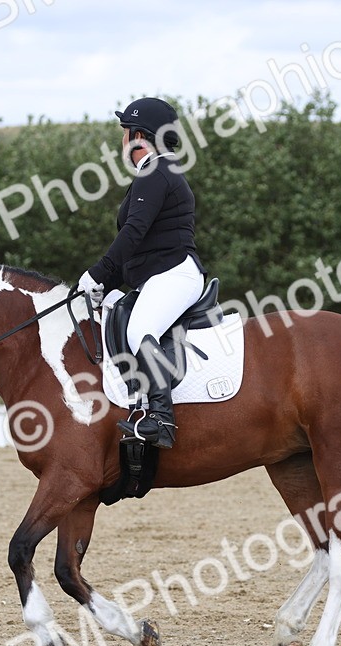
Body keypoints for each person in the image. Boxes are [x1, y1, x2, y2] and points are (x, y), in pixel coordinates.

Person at [78, 97, 205, 450]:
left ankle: (161, 418)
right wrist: (107, 283)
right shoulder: (155, 172)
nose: (122, 141)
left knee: (140, 330)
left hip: (175, 273)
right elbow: (140, 244)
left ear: (138, 136)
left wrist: (99, 272)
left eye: (124, 133)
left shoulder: (157, 170)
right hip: (160, 273)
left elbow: (132, 232)